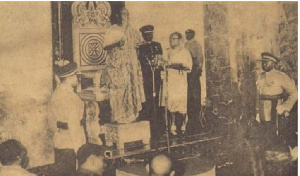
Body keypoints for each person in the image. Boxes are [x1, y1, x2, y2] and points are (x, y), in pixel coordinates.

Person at [250, 52, 298, 175]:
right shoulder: (260, 76)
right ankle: (266, 164)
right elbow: (258, 96)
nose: (264, 64)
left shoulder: (281, 76)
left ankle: (277, 166)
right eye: (263, 62)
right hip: (261, 109)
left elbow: (294, 93)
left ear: (273, 63)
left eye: (266, 62)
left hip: (275, 109)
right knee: (263, 135)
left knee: (275, 137)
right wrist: (256, 111)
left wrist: (285, 106)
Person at [104, 7, 145, 124]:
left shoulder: (132, 30)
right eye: (122, 14)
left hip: (131, 65)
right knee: (119, 92)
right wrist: (117, 44)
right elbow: (105, 47)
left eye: (127, 14)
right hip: (117, 66)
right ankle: (119, 115)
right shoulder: (112, 30)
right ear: (117, 16)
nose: (125, 16)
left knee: (132, 89)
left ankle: (132, 115)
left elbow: (140, 43)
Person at [48, 62, 86, 175]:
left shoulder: (56, 94)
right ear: (69, 78)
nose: (76, 78)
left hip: (59, 140)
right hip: (71, 143)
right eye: (75, 76)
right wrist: (79, 150)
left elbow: (51, 120)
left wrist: (59, 132)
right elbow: (74, 126)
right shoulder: (71, 98)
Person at [137, 25, 164, 139]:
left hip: (156, 77)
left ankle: (159, 130)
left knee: (157, 102)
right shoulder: (140, 47)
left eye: (151, 34)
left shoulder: (157, 45)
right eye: (147, 34)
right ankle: (149, 131)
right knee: (148, 103)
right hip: (146, 78)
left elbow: (160, 60)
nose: (149, 36)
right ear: (143, 35)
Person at [166, 32, 192, 136]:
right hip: (172, 80)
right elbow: (166, 64)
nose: (172, 41)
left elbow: (189, 66)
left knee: (182, 101)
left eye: (174, 38)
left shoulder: (185, 52)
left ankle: (183, 124)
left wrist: (180, 66)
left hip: (181, 79)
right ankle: (173, 124)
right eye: (171, 39)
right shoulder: (169, 52)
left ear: (179, 40)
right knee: (172, 101)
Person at [184, 29, 203, 135]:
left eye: (189, 34)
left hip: (194, 72)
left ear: (193, 34)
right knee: (189, 97)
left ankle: (196, 123)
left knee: (195, 97)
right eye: (186, 34)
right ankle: (190, 123)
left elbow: (200, 58)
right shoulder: (185, 44)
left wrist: (198, 69)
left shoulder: (196, 44)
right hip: (188, 72)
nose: (187, 35)